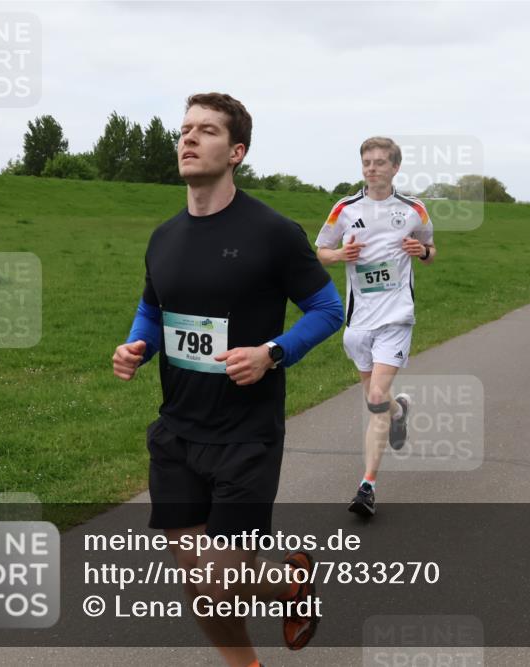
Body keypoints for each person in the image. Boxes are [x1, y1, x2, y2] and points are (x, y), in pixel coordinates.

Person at [112, 93, 343, 666]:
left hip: (245, 433)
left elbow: (327, 309)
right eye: (184, 129)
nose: (189, 138)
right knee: (200, 585)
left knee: (220, 581)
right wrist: (139, 345)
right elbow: (153, 308)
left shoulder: (273, 232)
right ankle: (267, 631)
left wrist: (273, 352)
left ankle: (290, 588)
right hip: (178, 431)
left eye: (206, 130)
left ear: (236, 151)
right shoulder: (164, 237)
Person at [315, 136, 436, 517]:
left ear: (395, 167)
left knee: (376, 394)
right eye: (367, 161)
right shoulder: (345, 209)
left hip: (396, 316)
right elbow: (320, 252)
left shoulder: (414, 209)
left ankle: (367, 486)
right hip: (359, 321)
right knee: (377, 402)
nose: (372, 168)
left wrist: (423, 252)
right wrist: (340, 254)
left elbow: (431, 250)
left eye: (380, 162)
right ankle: (399, 413)